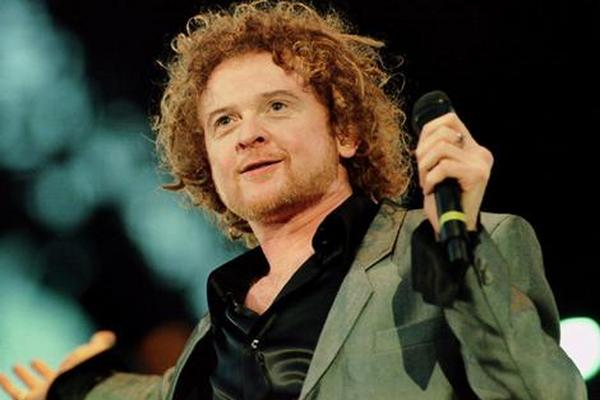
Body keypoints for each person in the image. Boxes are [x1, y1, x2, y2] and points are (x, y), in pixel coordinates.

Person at [0, 1, 587, 399]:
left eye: (277, 106)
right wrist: (70, 389)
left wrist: (460, 250)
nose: (247, 134)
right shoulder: (218, 329)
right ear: (209, 164)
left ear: (345, 131)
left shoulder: (458, 247)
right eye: (224, 121)